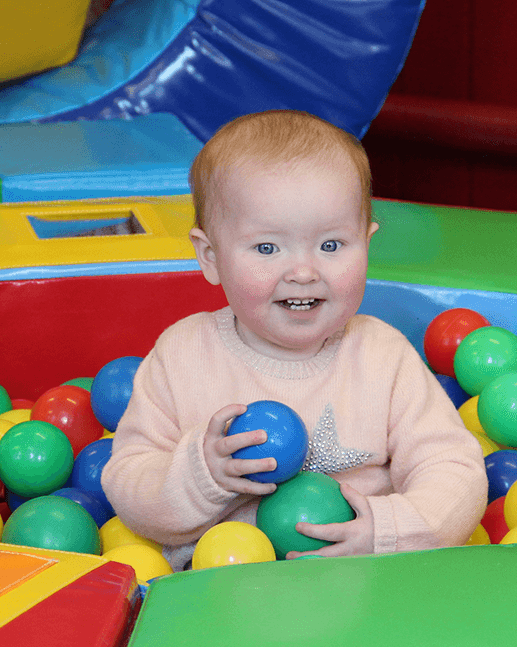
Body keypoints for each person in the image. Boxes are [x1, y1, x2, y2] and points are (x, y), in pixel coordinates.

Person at [101, 109, 487, 571]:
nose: (303, 272)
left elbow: (455, 469)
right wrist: (202, 475)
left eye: (330, 246)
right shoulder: (183, 355)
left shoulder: (383, 356)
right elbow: (126, 479)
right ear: (211, 257)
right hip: (219, 593)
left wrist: (387, 531)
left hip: (362, 583)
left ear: (367, 242)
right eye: (267, 248)